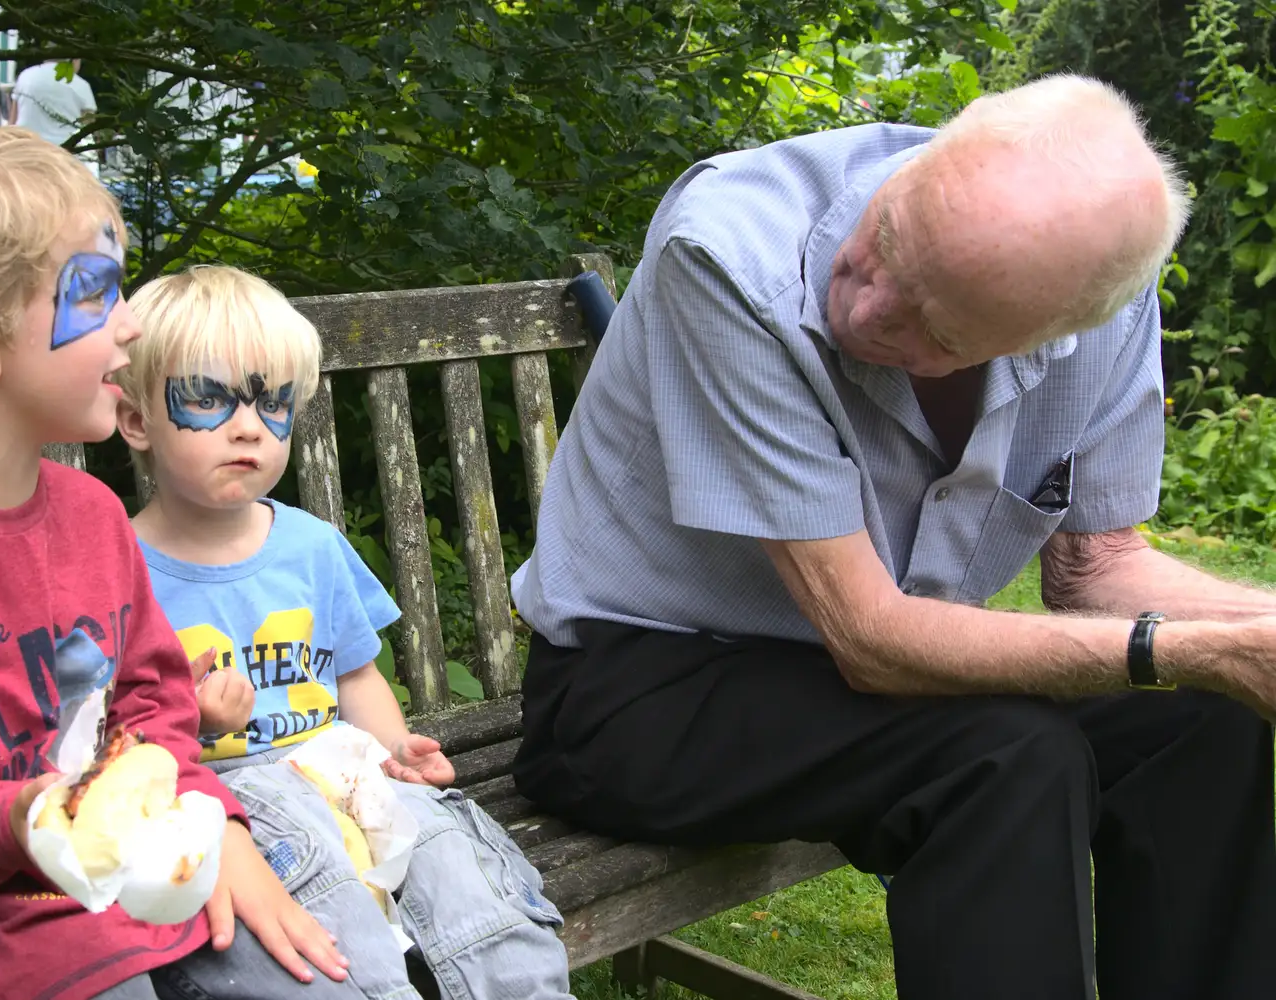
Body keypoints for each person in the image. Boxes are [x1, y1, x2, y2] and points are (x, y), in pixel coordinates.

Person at [510, 73, 1276, 1000]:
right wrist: (1181, 645)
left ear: (1052, 329)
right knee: (1007, 757)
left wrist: (1245, 641)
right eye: (884, 245)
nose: (864, 311)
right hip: (634, 690)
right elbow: (872, 639)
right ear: (931, 155)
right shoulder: (728, 254)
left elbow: (1099, 567)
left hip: (859, 684)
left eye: (937, 328)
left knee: (1202, 715)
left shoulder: (1108, 300)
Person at [0, 121, 347, 1000]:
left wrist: (219, 822)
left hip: (148, 879)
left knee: (324, 976)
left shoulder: (89, 513)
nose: (128, 324)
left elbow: (156, 700)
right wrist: (22, 819)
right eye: (93, 296)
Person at [113, 265, 574, 999]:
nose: (247, 426)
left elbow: (355, 674)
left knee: (463, 880)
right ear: (136, 420)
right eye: (207, 398)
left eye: (273, 403)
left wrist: (396, 751)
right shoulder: (119, 571)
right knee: (327, 943)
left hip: (340, 771)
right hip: (226, 798)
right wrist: (190, 720)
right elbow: (116, 746)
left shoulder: (311, 545)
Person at [11, 59, 100, 176]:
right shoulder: (80, 84)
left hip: (28, 156)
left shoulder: (25, 76)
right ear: (74, 59)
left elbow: (12, 122)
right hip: (72, 160)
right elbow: (89, 126)